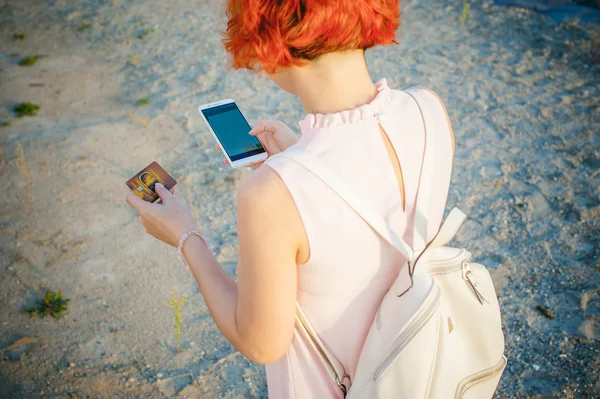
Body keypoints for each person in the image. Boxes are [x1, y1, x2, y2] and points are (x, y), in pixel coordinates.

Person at [125, 0, 455, 397]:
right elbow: (374, 211)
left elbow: (261, 343)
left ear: (271, 39)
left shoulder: (270, 194)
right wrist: (299, 162)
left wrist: (184, 236)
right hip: (424, 368)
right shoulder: (428, 108)